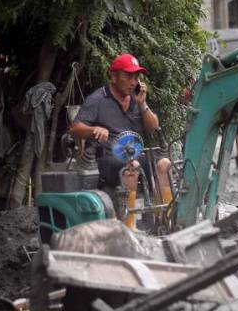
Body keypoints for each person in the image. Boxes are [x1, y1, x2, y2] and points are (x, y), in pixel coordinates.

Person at [69, 53, 172, 228]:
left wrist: (142, 105)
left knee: (164, 163)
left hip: (134, 155)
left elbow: (153, 127)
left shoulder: (136, 99)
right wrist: (94, 129)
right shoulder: (98, 99)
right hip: (106, 158)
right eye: (128, 76)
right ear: (114, 76)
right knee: (131, 167)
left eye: (136, 77)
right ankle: (129, 225)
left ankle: (164, 221)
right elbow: (74, 129)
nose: (133, 82)